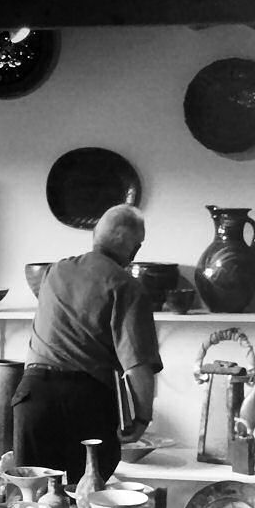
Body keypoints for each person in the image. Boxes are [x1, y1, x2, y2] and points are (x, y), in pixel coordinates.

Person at [11, 204, 163, 484]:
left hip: (32, 399)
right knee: (86, 503)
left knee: (32, 507)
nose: (136, 252)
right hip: (84, 403)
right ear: (127, 243)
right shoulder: (126, 286)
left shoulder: (55, 271)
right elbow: (138, 365)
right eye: (137, 245)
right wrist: (142, 419)